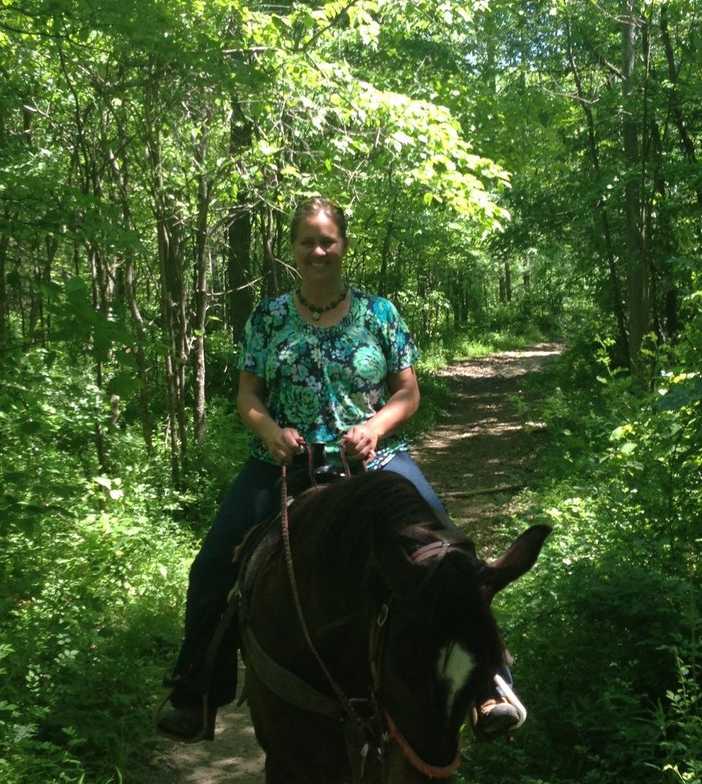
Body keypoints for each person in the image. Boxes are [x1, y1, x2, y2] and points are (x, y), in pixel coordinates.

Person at [154, 197, 525, 743]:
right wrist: (270, 433)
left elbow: (408, 392)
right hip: (282, 465)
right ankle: (195, 692)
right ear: (293, 249)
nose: (318, 250)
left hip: (373, 460)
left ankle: (489, 684)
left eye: (327, 240)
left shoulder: (380, 314)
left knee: (449, 552)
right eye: (307, 241)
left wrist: (375, 427)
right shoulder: (268, 318)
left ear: (344, 245)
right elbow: (249, 398)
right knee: (212, 565)